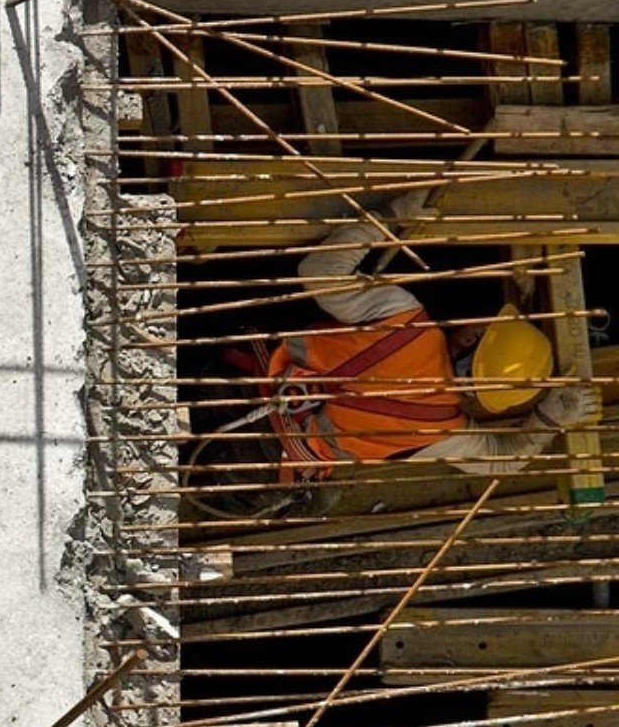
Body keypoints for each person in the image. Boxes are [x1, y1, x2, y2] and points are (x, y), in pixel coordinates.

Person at [197, 192, 597, 516]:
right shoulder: (443, 433)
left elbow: (318, 271)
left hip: (223, 393)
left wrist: (389, 216)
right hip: (257, 474)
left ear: (471, 339)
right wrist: (548, 418)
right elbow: (504, 460)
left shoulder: (404, 317)